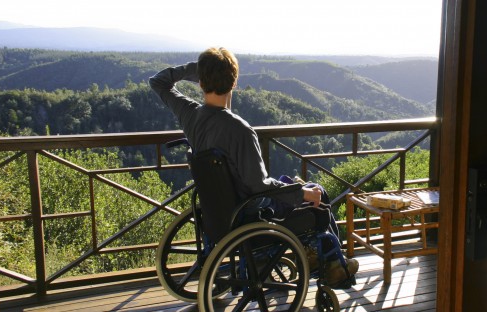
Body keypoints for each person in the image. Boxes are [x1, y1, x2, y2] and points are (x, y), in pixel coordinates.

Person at [149, 47, 357, 287]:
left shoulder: (189, 115)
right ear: (234, 83)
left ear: (200, 82)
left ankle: (318, 259)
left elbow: (159, 81)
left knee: (292, 184)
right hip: (250, 212)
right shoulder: (241, 130)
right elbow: (259, 186)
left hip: (218, 209)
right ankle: (333, 266)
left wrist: (200, 70)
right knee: (318, 195)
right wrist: (303, 194)